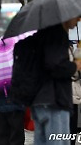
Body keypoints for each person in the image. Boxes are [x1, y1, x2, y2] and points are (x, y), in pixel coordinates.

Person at [30, 17, 81, 145]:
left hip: (43, 99)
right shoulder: (56, 36)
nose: (78, 21)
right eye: (77, 16)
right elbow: (55, 66)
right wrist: (75, 65)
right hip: (54, 101)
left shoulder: (43, 35)